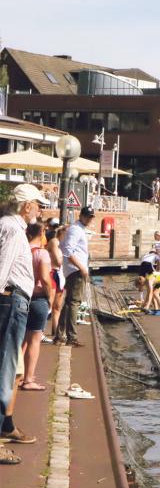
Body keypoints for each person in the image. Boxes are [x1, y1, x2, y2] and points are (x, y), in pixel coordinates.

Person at [1, 184, 50, 464]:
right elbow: (3, 268)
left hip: (14, 301)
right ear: (26, 205)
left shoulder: (14, 227)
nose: (41, 209)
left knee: (9, 368)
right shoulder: (11, 228)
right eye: (38, 204)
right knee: (5, 369)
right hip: (10, 300)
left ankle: (6, 426)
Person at [20, 223, 54, 391]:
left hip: (21, 297)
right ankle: (28, 379)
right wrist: (50, 298)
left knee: (20, 339)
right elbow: (45, 278)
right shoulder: (42, 253)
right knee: (34, 340)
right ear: (41, 234)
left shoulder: (21, 250)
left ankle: (15, 375)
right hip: (38, 298)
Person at [55, 205, 95, 347]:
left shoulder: (79, 229)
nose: (90, 219)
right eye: (88, 216)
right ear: (82, 216)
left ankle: (60, 335)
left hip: (74, 269)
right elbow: (67, 250)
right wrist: (81, 267)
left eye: (91, 216)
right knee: (74, 302)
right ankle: (72, 337)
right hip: (76, 270)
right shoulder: (76, 230)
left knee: (69, 303)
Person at [45, 222, 66, 344]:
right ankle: (40, 331)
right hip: (52, 273)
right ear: (61, 233)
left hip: (60, 275)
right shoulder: (54, 241)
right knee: (49, 304)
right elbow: (58, 261)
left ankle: (55, 332)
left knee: (57, 306)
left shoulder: (63, 245)